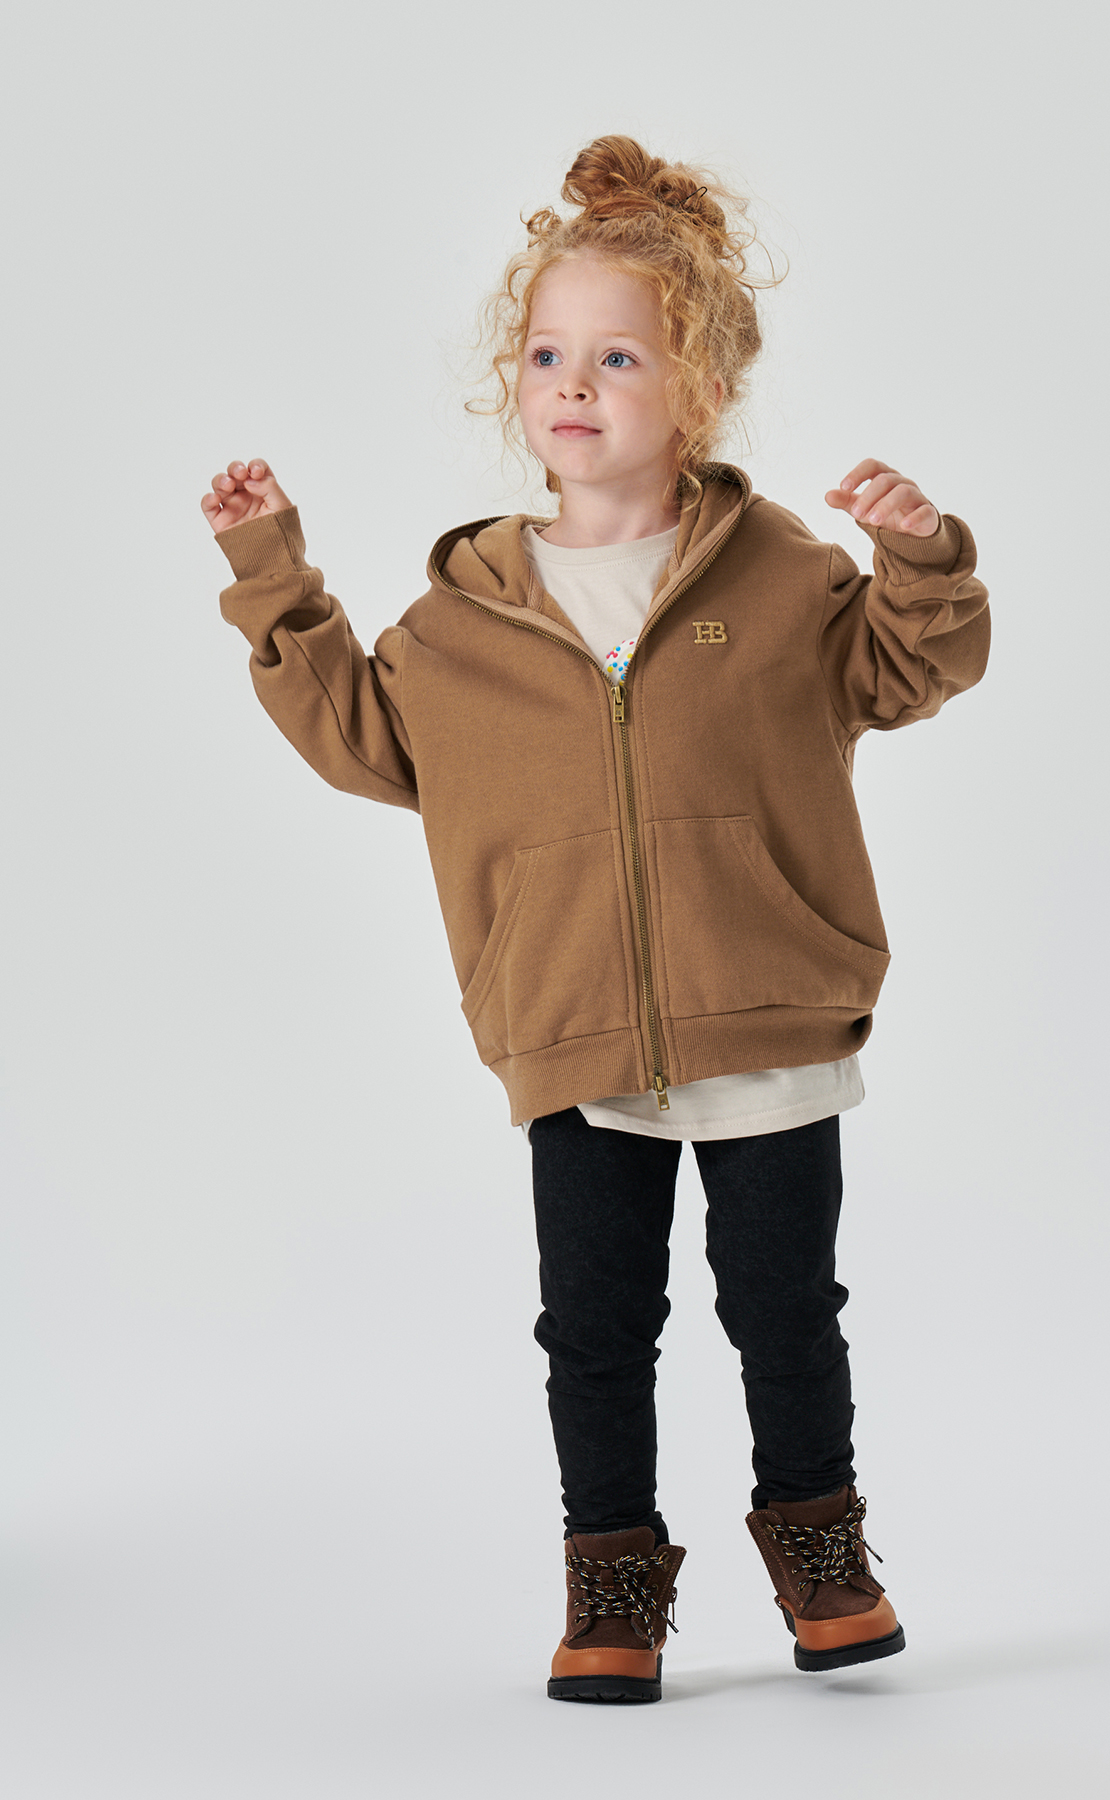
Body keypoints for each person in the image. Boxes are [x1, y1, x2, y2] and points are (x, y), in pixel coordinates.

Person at [202, 134, 990, 1704]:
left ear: (697, 391)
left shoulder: (781, 578)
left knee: (785, 1312)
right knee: (593, 1330)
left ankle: (821, 1553)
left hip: (765, 1012)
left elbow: (915, 666)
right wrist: (273, 579)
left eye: (619, 356)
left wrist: (918, 557)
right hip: (568, 1025)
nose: (575, 382)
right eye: (547, 354)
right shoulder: (462, 622)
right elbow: (365, 738)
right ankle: (611, 1584)